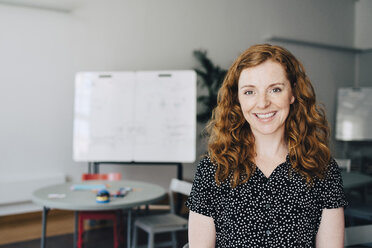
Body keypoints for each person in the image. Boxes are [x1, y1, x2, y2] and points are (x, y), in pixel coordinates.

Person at [186, 44, 347, 247]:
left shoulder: (323, 169)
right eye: (249, 92)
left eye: (275, 89)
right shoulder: (213, 170)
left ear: (293, 93)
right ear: (237, 98)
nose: (262, 103)